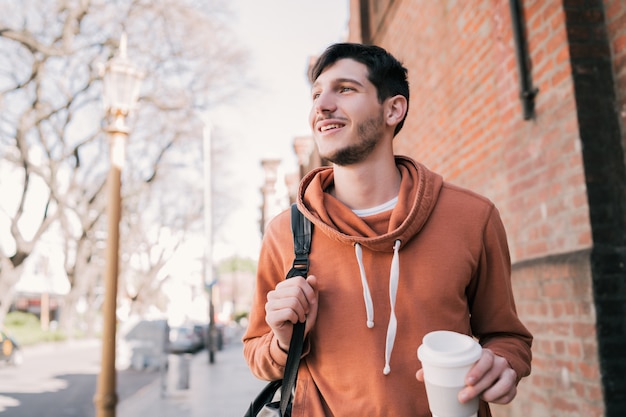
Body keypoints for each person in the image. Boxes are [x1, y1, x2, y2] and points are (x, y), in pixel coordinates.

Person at [243, 42, 532, 417]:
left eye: (344, 89)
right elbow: (256, 353)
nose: (322, 105)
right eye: (316, 94)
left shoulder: (472, 217)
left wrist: (502, 363)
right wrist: (284, 340)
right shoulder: (285, 231)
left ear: (393, 109)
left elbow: (508, 337)